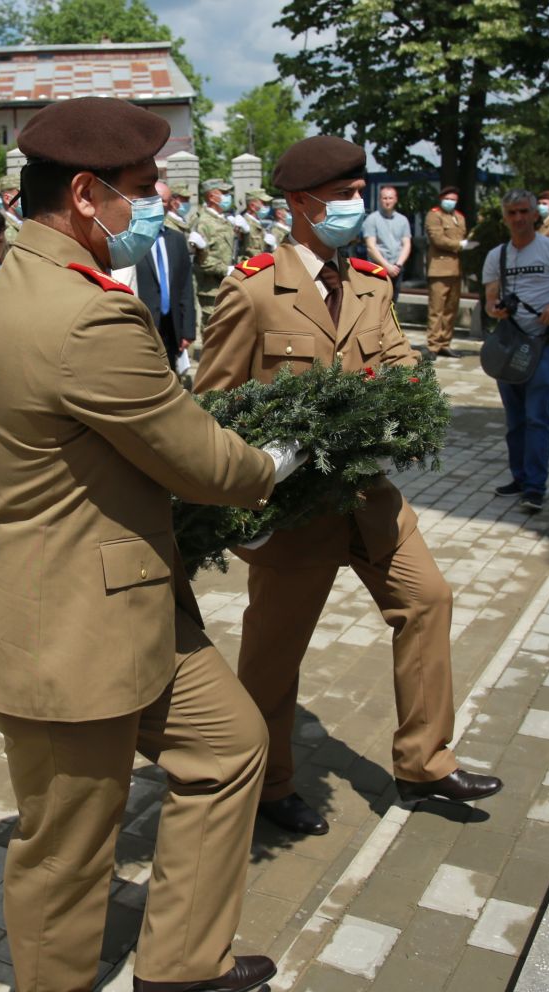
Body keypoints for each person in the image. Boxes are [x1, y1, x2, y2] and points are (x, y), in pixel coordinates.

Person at [0, 96, 302, 992]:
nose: (159, 209)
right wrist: (274, 461)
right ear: (85, 193)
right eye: (145, 193)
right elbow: (198, 457)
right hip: (71, 624)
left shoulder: (23, 274)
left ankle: (181, 964)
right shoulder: (83, 313)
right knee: (69, 836)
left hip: (129, 596)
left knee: (229, 745)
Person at [196, 135, 505, 840]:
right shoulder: (251, 288)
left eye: (359, 193)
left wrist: (398, 403)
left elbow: (400, 367)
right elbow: (212, 406)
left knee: (428, 599)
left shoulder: (370, 282)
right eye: (342, 196)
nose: (355, 205)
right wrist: (242, 501)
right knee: (274, 659)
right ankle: (269, 786)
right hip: (295, 509)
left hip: (368, 498)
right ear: (301, 203)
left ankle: (424, 760)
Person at [483, 190, 549, 510]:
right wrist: (495, 309)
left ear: (534, 214)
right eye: (512, 213)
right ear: (505, 218)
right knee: (515, 420)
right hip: (509, 344)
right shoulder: (496, 256)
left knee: (537, 417)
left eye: (524, 212)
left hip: (542, 343)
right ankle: (520, 477)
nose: (519, 218)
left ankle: (535, 487)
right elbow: (489, 300)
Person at [135, 193, 196, 367]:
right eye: (157, 199)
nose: (162, 204)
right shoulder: (132, 239)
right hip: (143, 323)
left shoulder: (176, 239)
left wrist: (188, 329)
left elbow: (186, 286)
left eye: (165, 201)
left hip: (171, 323)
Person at [424, 185, 469, 357]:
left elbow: (461, 236)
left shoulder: (459, 217)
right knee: (437, 309)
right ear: (441, 199)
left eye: (454, 200)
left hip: (456, 269)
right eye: (448, 199)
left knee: (451, 309)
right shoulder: (434, 215)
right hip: (439, 268)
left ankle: (445, 342)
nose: (450, 202)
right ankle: (433, 345)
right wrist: (458, 245)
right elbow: (438, 239)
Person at [191, 177, 237, 326]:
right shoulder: (203, 222)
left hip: (228, 285)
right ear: (211, 197)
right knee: (213, 332)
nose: (228, 196)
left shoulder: (224, 220)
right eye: (223, 192)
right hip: (211, 290)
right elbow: (203, 260)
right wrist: (226, 269)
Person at [362, 184, 411, 299]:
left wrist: (398, 265)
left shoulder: (403, 220)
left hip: (397, 269)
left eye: (390, 198)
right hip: (377, 268)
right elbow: (370, 247)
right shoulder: (371, 219)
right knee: (377, 302)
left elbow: (407, 244)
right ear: (380, 199)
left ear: (395, 199)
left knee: (393, 302)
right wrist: (387, 266)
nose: (387, 201)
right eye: (384, 198)